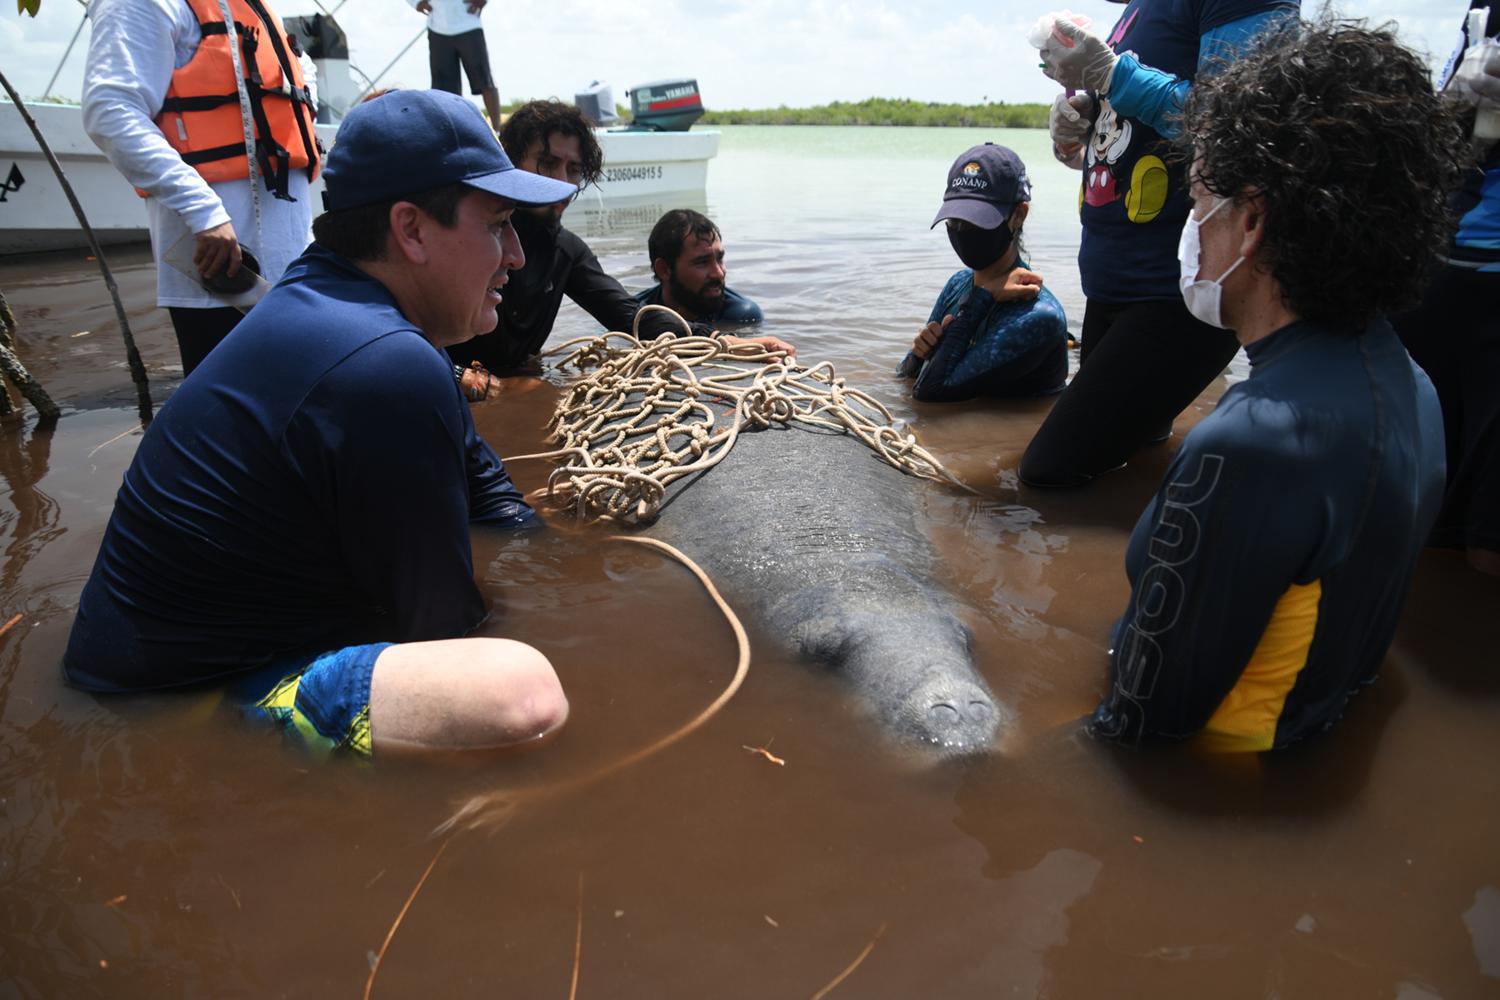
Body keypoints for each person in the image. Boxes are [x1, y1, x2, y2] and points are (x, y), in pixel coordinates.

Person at [62, 90, 580, 759]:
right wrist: (577, 623)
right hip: (177, 699)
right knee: (515, 692)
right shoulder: (382, 363)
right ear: (412, 230)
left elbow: (490, 496)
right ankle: (235, 736)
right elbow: (445, 633)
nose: (516, 255)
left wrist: (567, 555)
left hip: (138, 662)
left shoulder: (342, 306)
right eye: (498, 225)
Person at [1088, 19, 1464, 751]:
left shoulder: (1255, 440)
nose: (1193, 231)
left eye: (1198, 206)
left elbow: (1138, 727)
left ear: (1251, 220)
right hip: (1312, 741)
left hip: (1217, 786)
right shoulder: (1409, 381)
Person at [1018, 0, 1298, 486]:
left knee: (1050, 475)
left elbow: (1239, 130)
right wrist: (1086, 126)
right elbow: (1149, 128)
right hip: (1116, 279)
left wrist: (1112, 77)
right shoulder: (1141, 8)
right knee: (1134, 455)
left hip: (1177, 285)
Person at [448, 104, 792, 398]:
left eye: (574, 169)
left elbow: (630, 317)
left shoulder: (566, 250)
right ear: (509, 159)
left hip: (511, 384)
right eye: (548, 163)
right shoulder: (470, 231)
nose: (562, 182)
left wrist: (724, 343)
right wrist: (455, 374)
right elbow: (408, 316)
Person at [82, 0, 321, 374]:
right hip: (219, 277)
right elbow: (109, 111)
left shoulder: (251, 7)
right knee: (231, 418)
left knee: (299, 410)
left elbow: (301, 87)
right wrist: (204, 213)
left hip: (294, 272)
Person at [1391, 0, 1500, 578]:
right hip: (1439, 258)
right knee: (1425, 522)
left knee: (1488, 552)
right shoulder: (1481, 11)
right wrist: (1448, 114)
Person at [896, 143, 1068, 402]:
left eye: (979, 221)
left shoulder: (1037, 316)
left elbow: (930, 393)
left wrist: (983, 296)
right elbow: (905, 377)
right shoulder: (958, 284)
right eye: (955, 221)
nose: (964, 232)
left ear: (1018, 215)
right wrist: (918, 355)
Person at [633, 210, 792, 356]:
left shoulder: (741, 315)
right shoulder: (636, 315)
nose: (719, 273)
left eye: (720, 258)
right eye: (702, 262)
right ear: (664, 270)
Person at [410, 0, 502, 128]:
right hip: (437, 28)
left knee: (485, 81)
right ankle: (452, 134)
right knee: (443, 92)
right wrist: (416, 3)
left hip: (469, 24)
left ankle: (498, 134)